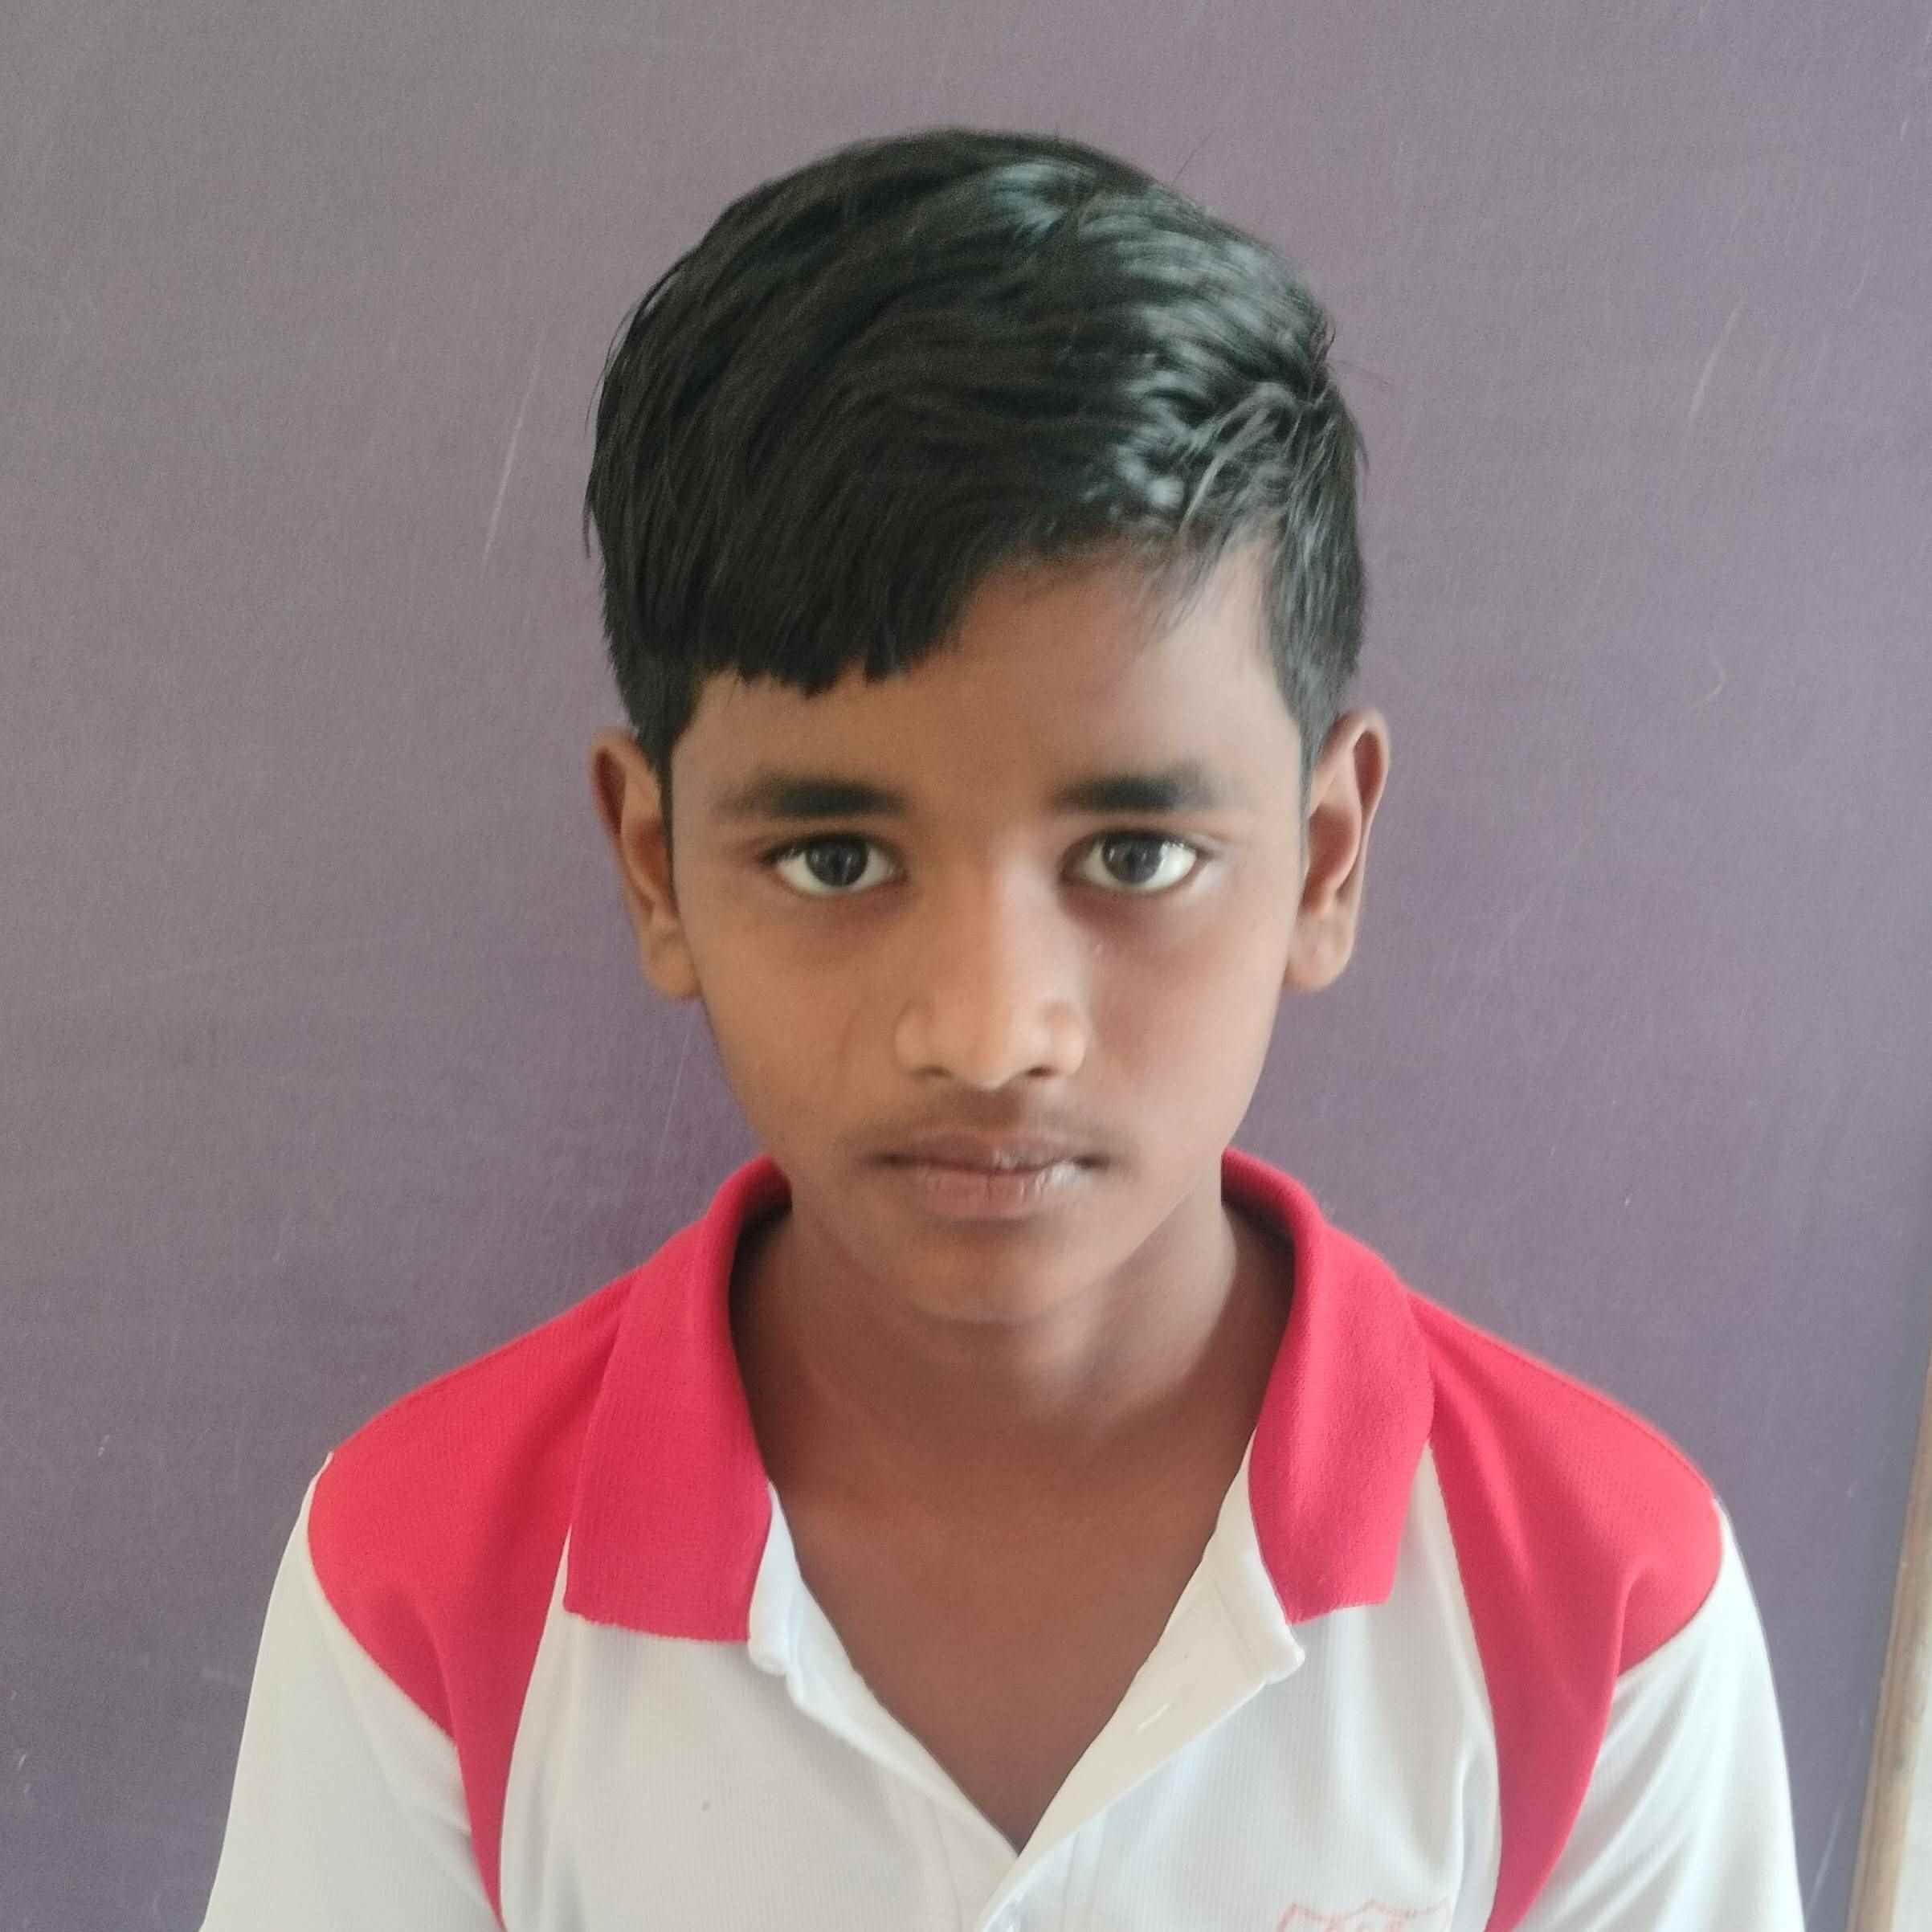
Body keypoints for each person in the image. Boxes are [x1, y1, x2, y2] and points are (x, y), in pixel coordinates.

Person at [198, 126, 1804, 1930]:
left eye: (1135, 853)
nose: (987, 1033)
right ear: (656, 868)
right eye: (832, 855)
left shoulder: (1597, 1606)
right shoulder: (423, 1590)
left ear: (1324, 858)